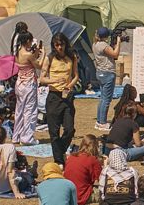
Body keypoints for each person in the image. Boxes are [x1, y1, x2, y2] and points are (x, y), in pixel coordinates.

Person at [41, 32, 80, 165]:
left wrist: (70, 85)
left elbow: (76, 75)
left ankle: (61, 150)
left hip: (67, 96)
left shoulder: (72, 57)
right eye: (56, 45)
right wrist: (54, 80)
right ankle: (59, 161)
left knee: (69, 129)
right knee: (54, 131)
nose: (59, 47)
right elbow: (42, 78)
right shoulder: (50, 58)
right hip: (53, 97)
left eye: (61, 44)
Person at [13, 31, 42, 146]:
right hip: (29, 84)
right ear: (28, 41)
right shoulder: (28, 54)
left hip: (20, 83)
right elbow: (38, 65)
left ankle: (16, 136)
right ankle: (27, 138)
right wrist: (42, 54)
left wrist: (35, 53)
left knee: (19, 110)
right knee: (30, 110)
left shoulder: (17, 52)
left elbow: (30, 60)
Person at [93, 28, 120, 132]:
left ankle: (99, 121)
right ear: (106, 36)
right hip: (108, 73)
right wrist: (118, 43)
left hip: (100, 73)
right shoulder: (103, 45)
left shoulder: (95, 44)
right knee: (106, 100)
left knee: (102, 99)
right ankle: (102, 123)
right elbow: (115, 54)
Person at [62, 136, 102, 205]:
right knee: (107, 192)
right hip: (82, 196)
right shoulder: (92, 160)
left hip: (68, 195)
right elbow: (100, 178)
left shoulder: (71, 157)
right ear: (95, 147)